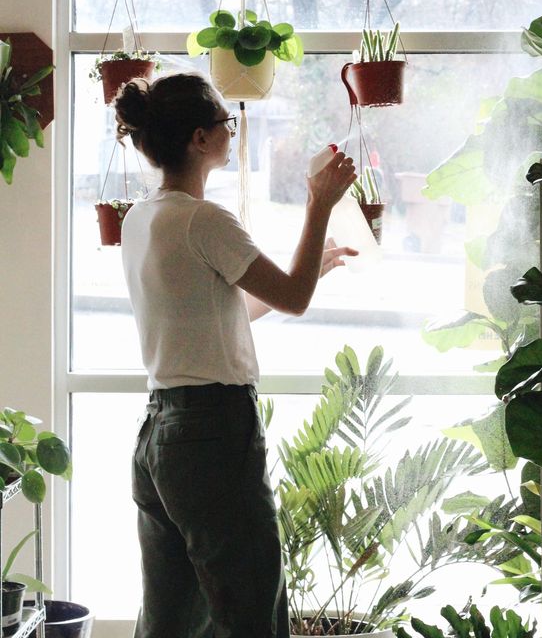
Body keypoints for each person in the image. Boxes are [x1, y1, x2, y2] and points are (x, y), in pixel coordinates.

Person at [113, 71, 358, 638]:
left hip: (160, 437)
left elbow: (222, 313)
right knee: (251, 615)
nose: (232, 129)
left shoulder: (141, 218)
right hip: (212, 435)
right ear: (200, 139)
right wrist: (319, 202)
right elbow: (294, 299)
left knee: (169, 621)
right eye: (227, 121)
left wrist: (309, 267)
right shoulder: (205, 220)